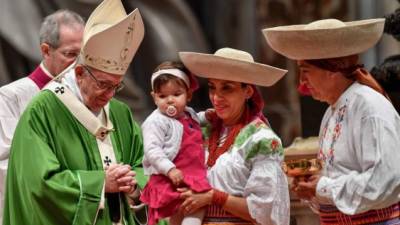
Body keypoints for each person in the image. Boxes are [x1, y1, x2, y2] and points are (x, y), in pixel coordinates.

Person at [3, 0, 146, 224]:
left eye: (116, 86)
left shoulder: (120, 113)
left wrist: (134, 185)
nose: (110, 95)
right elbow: (37, 183)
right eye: (103, 84)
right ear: (79, 72)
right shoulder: (42, 111)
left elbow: (143, 164)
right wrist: (100, 184)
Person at [264, 18, 400, 224]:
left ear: (332, 70)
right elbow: (338, 170)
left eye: (305, 71)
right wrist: (309, 183)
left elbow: (384, 181)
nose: (301, 82)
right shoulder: (332, 111)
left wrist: (321, 187)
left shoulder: (369, 107)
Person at [178, 47, 290, 225]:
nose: (216, 97)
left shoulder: (263, 140)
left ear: (248, 91)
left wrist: (214, 197)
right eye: (212, 87)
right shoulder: (202, 127)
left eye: (227, 88)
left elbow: (266, 212)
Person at [0, 9, 84, 223]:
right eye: (70, 54)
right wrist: (59, 184)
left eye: (83, 55)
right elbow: (6, 163)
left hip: (82, 206)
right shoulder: (11, 96)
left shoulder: (87, 98)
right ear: (46, 50)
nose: (79, 64)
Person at [140, 61, 211, 225]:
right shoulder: (156, 122)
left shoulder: (187, 113)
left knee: (187, 209)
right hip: (172, 177)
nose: (170, 101)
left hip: (193, 173)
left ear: (189, 95)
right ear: (154, 97)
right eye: (162, 96)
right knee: (188, 208)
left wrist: (206, 116)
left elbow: (194, 120)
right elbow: (152, 150)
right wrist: (169, 169)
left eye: (176, 94)